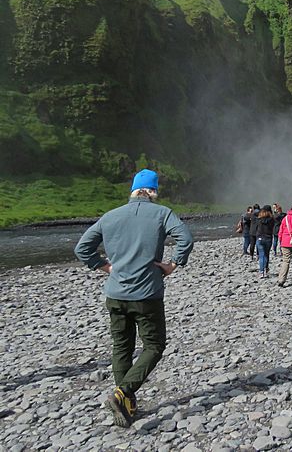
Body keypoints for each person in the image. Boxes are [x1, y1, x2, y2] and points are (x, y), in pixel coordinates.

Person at [74, 169, 193, 427]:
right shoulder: (162, 213)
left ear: (133, 190)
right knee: (154, 345)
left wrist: (104, 266)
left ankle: (126, 404)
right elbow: (185, 238)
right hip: (147, 293)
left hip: (115, 294)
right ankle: (123, 393)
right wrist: (173, 264)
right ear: (153, 191)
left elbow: (81, 248)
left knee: (122, 348)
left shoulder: (110, 216)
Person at [255, 205, 276, 277]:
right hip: (268, 238)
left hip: (260, 238)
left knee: (261, 255)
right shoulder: (272, 219)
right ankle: (266, 269)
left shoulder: (259, 219)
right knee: (266, 254)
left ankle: (261, 271)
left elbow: (256, 228)